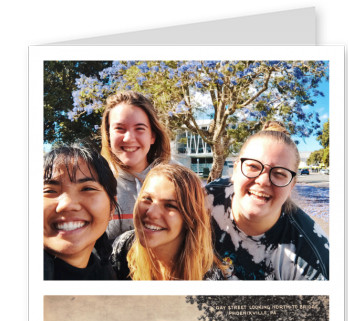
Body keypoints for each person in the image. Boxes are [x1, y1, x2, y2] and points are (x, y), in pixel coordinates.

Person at [206, 121, 329, 280]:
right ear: (235, 170)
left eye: (279, 173)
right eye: (253, 166)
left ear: (292, 185)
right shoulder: (203, 200)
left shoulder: (311, 258)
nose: (263, 181)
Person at [111, 164, 225, 280]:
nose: (152, 213)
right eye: (147, 199)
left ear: (190, 218)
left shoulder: (210, 278)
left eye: (170, 205)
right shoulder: (122, 248)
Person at [100, 90, 171, 241]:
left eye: (139, 128)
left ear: (152, 136)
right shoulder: (95, 183)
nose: (129, 138)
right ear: (108, 134)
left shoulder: (176, 181)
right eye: (120, 128)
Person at [43, 143, 118, 280]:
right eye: (49, 191)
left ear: (112, 207)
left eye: (87, 189)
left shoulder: (107, 275)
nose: (67, 205)